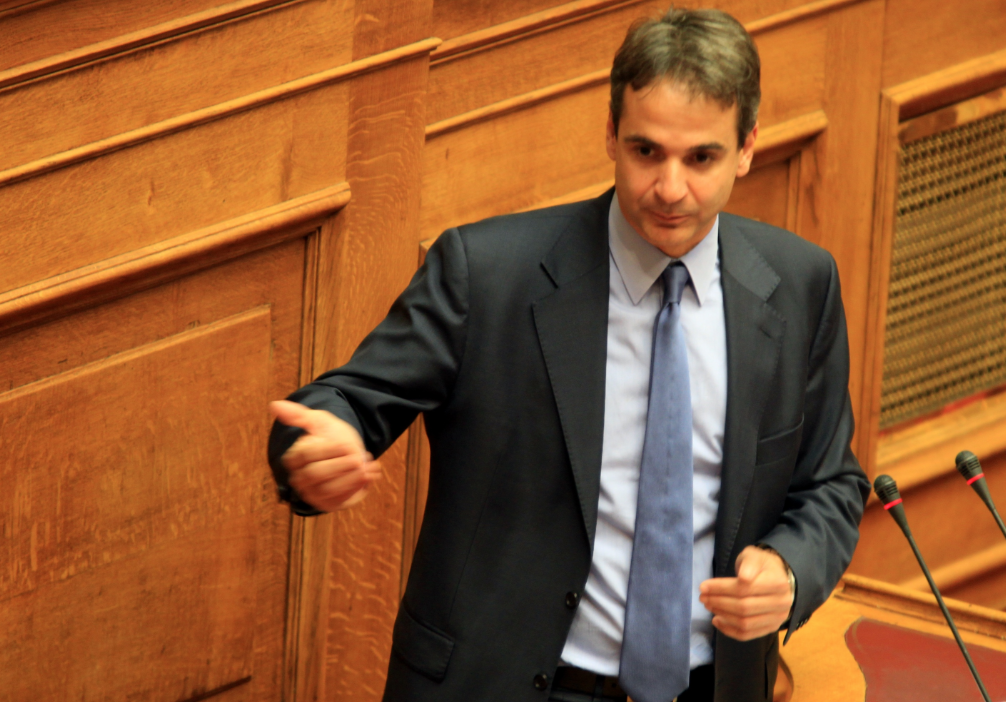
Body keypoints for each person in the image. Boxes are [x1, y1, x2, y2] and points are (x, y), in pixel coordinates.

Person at [267, 8, 869, 702]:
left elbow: (831, 484)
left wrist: (789, 572)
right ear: (610, 133)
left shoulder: (799, 285)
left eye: (701, 158)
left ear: (747, 147)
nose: (670, 188)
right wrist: (317, 443)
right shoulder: (487, 275)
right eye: (646, 152)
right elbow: (342, 402)